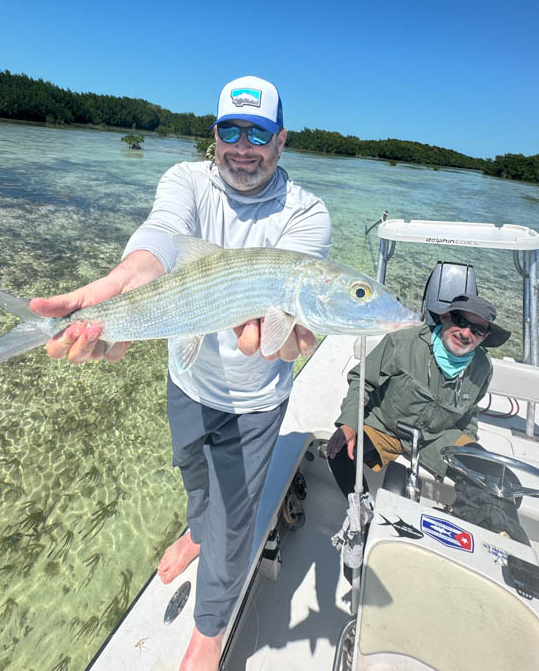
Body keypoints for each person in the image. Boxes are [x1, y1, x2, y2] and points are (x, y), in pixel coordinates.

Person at [30, 75, 331, 671]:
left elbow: (278, 326)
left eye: (259, 133)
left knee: (232, 518)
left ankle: (210, 629)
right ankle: (195, 531)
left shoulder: (308, 214)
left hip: (255, 400)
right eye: (231, 131)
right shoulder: (187, 180)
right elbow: (162, 236)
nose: (243, 147)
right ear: (214, 133)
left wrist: (279, 333)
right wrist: (128, 278)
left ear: (281, 139)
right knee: (192, 474)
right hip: (186, 378)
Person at [326, 293, 511, 493]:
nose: (466, 334)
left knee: (503, 483)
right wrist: (349, 424)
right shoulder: (403, 342)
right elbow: (361, 382)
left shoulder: (483, 367)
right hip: (384, 427)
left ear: (485, 336)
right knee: (339, 450)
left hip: (436, 438)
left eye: (477, 330)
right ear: (445, 317)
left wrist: (467, 452)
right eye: (460, 321)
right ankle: (363, 509)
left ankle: (456, 518)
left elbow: (469, 412)